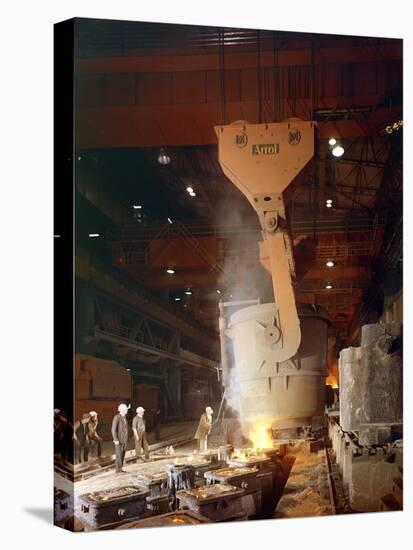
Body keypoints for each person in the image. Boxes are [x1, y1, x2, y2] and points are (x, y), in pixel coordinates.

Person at [111, 403, 129, 473]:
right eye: (125, 410)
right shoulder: (117, 417)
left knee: (123, 454)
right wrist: (115, 439)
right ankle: (118, 470)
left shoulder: (124, 417)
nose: (127, 411)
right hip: (119, 440)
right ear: (122, 410)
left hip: (124, 440)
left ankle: (120, 468)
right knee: (119, 454)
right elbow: (113, 429)